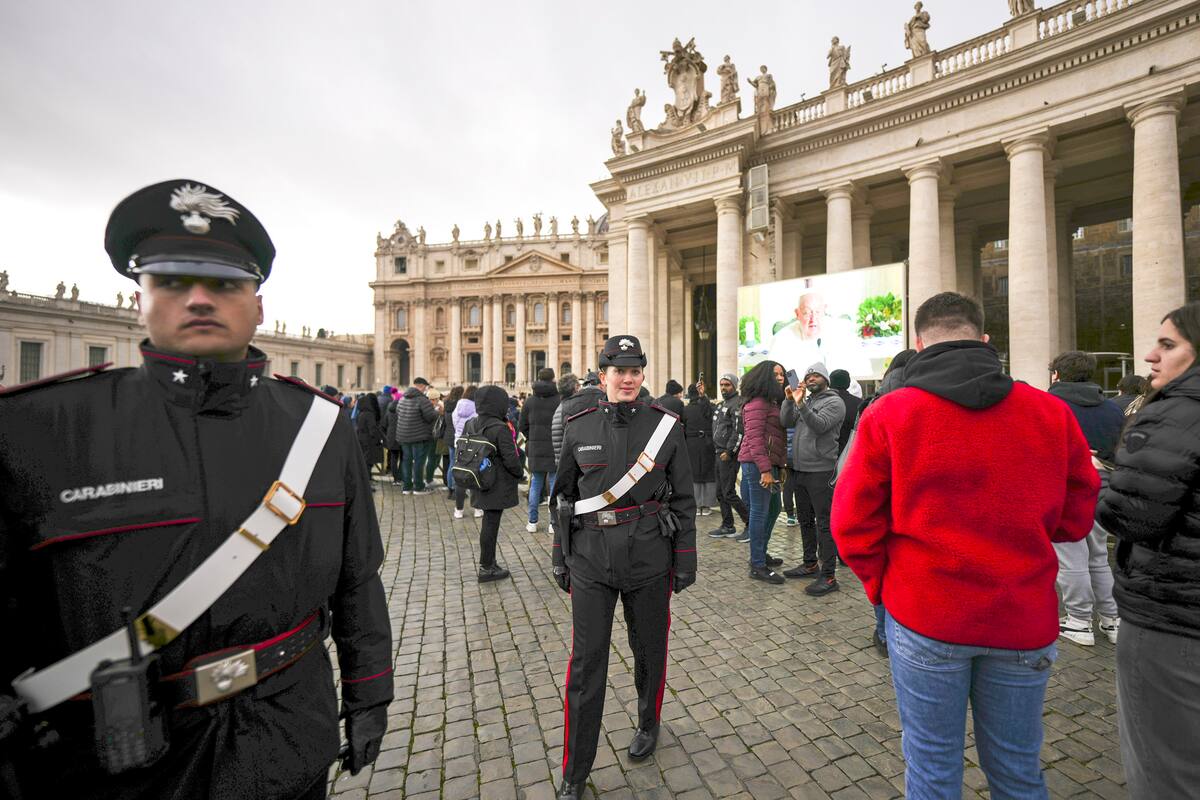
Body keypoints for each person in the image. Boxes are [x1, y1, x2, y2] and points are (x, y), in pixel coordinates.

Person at [0, 179, 393, 799]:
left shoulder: (318, 428)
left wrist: (371, 691)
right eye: (174, 282)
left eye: (226, 283)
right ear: (140, 299)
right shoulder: (36, 431)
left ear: (258, 305)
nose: (200, 299)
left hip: (287, 736)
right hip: (114, 761)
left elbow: (357, 578)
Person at [832, 292, 1098, 799]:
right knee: (1019, 769)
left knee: (932, 767)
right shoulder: (1050, 412)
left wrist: (883, 588)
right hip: (1022, 614)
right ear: (984, 339)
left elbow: (851, 524)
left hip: (927, 611)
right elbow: (1076, 517)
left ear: (918, 342)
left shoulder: (892, 413)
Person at [550, 335, 696, 800]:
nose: (628, 378)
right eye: (620, 370)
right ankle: (575, 772)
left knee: (649, 649)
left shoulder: (666, 426)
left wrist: (685, 561)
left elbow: (685, 499)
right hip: (591, 558)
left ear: (642, 376)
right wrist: (561, 556)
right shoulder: (577, 424)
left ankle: (649, 723)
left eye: (636, 371)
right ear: (603, 375)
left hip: (649, 557)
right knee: (586, 665)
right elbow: (563, 500)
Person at [1096, 302, 1200, 799]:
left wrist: (1100, 486)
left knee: (1165, 767)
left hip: (1172, 610)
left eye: (1168, 344)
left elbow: (1132, 515)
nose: (1150, 356)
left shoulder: (1180, 412)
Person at [1047, 350, 1125, 646]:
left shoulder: (1050, 405)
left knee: (1071, 557)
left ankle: (1080, 621)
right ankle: (1111, 619)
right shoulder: (1111, 408)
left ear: (1057, 374)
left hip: (1065, 488)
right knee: (1099, 556)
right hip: (1102, 485)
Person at [780, 363, 846, 595]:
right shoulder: (805, 400)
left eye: (816, 375)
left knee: (824, 523)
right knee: (805, 520)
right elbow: (785, 421)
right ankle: (810, 564)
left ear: (826, 379)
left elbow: (820, 426)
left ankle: (828, 576)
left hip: (821, 470)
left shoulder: (834, 402)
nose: (811, 379)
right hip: (800, 469)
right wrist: (790, 400)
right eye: (808, 376)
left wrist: (801, 403)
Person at [464, 385, 524, 583]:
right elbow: (511, 459)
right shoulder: (500, 428)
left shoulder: (471, 423)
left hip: (479, 478)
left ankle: (489, 563)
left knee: (488, 523)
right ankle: (487, 567)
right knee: (490, 525)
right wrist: (519, 473)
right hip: (496, 482)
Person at [738, 360, 789, 583]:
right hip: (757, 464)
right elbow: (755, 439)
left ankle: (760, 552)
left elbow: (780, 437)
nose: (780, 377)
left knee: (775, 507)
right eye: (776, 374)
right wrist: (766, 470)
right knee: (760, 511)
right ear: (764, 377)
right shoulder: (758, 403)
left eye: (782, 374)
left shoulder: (772, 402)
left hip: (770, 464)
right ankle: (757, 564)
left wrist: (782, 465)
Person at [766, 290, 871, 377]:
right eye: (807, 313)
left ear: (824, 310)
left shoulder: (843, 332)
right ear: (797, 313)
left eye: (817, 312)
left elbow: (862, 370)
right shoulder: (783, 338)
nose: (813, 319)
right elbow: (780, 375)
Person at [708, 373, 749, 539]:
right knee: (720, 493)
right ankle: (727, 525)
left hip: (727, 455)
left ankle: (749, 523)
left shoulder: (737, 403)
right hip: (718, 453)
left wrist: (730, 451)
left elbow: (739, 431)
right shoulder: (722, 404)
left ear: (734, 386)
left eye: (727, 385)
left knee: (728, 492)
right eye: (722, 385)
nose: (723, 388)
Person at [520, 368, 561, 532]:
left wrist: (533, 437)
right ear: (553, 379)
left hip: (536, 448)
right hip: (554, 446)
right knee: (554, 484)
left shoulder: (530, 401)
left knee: (535, 484)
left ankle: (532, 522)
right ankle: (553, 523)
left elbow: (522, 425)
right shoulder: (559, 399)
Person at [393, 377, 439, 494]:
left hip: (403, 435)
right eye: (425, 387)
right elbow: (430, 417)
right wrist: (437, 411)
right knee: (419, 461)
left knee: (406, 461)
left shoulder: (402, 398)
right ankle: (418, 487)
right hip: (419, 436)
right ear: (422, 386)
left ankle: (407, 487)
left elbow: (398, 413)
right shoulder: (422, 400)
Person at [552, 371, 603, 467]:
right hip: (571, 462)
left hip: (561, 461)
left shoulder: (561, 408)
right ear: (575, 387)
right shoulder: (572, 407)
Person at [682, 383, 716, 515]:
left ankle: (696, 504)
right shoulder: (710, 407)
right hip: (708, 442)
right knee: (708, 472)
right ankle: (707, 505)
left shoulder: (686, 410)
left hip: (691, 443)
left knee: (694, 472)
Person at [452, 385, 482, 519]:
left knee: (460, 476)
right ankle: (476, 509)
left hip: (459, 443)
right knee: (474, 475)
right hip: (474, 444)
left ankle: (459, 509)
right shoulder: (477, 408)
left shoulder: (458, 406)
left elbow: (454, 423)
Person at [827, 369, 861, 455]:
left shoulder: (823, 402)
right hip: (851, 452)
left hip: (827, 455)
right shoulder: (859, 403)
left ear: (829, 383)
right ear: (848, 383)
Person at [355, 391, 384, 475]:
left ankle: (367, 479)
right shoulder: (369, 414)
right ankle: (367, 481)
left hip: (361, 438)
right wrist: (378, 439)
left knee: (365, 460)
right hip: (369, 440)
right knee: (368, 460)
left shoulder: (360, 413)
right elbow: (372, 429)